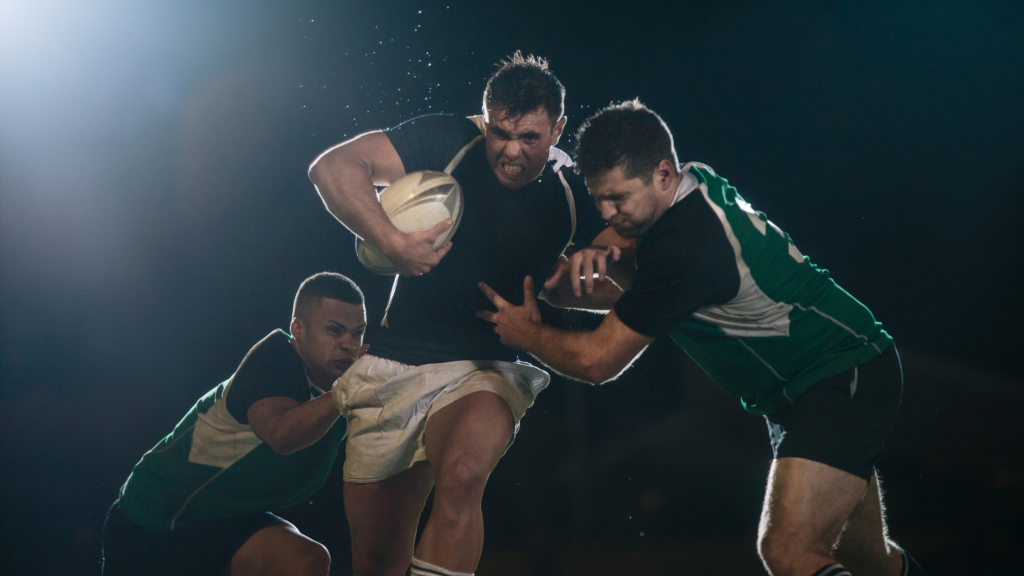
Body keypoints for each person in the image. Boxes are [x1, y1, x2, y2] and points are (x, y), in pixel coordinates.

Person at [478, 100, 926, 576]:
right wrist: (566, 277)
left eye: (619, 199)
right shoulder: (690, 186)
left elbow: (597, 361)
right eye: (599, 199)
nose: (607, 214)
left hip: (841, 375)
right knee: (869, 561)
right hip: (810, 387)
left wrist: (526, 334)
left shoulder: (686, 248)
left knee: (789, 553)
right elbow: (634, 287)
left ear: (663, 174)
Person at [307, 53, 620, 576]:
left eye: (530, 138)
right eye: (500, 133)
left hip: (483, 369)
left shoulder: (575, 187)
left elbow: (625, 280)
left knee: (465, 471)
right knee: (377, 561)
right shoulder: (446, 140)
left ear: (559, 128)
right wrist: (392, 242)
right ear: (483, 117)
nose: (512, 152)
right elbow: (331, 168)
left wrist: (585, 288)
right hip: (396, 362)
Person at [101, 272, 368, 576]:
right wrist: (347, 389)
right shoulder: (274, 359)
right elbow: (282, 435)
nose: (349, 344)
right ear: (298, 329)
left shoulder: (346, 389)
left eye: (357, 333)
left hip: (228, 518)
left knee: (306, 560)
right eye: (335, 330)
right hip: (153, 521)